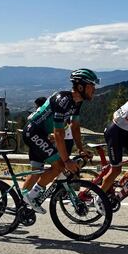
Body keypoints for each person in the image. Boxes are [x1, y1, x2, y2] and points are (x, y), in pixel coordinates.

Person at [21, 69, 98, 213]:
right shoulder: (64, 100)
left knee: (37, 172)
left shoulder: (77, 102)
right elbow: (58, 134)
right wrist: (67, 160)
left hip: (40, 134)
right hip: (34, 132)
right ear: (80, 87)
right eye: (91, 85)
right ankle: (31, 197)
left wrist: (80, 148)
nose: (94, 89)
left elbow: (75, 126)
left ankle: (21, 205)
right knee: (59, 166)